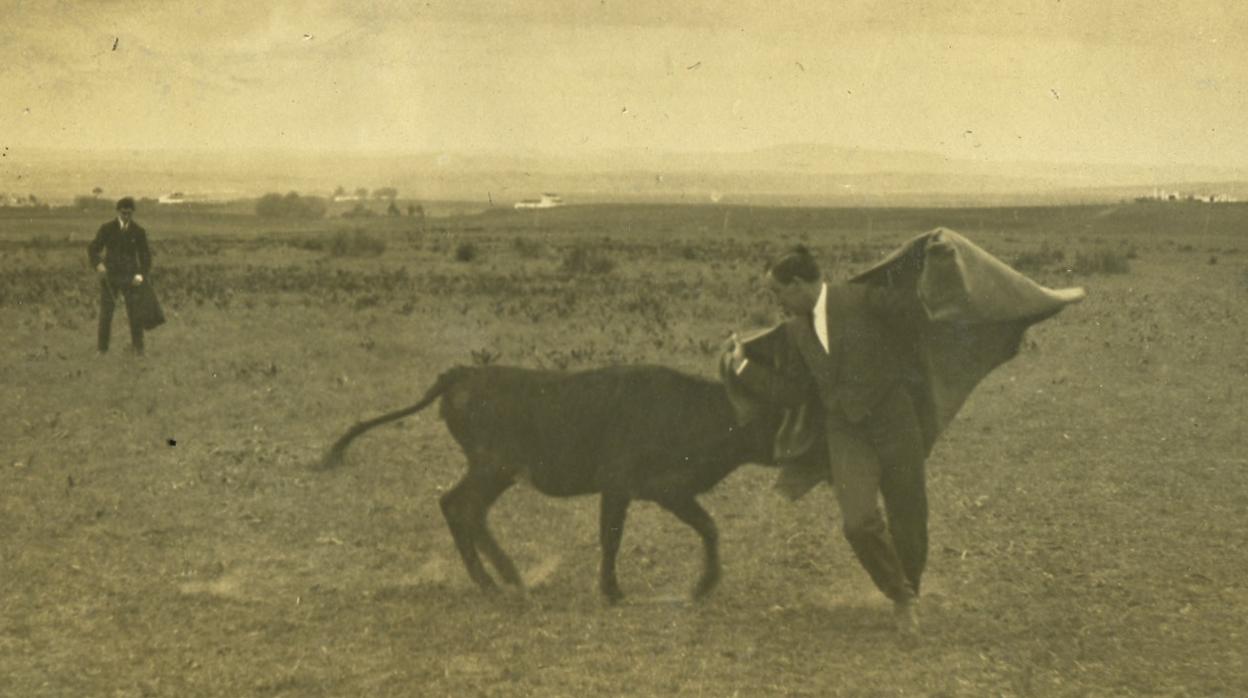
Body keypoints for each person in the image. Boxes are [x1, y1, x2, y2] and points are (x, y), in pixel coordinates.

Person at [725, 245, 929, 636]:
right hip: (847, 432)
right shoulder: (797, 330)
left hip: (896, 422)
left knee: (910, 518)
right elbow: (796, 393)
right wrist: (743, 367)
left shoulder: (864, 299)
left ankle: (911, 591)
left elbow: (920, 319)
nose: (778, 303)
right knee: (857, 523)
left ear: (798, 284)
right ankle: (900, 596)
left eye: (778, 293)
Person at [88, 197, 152, 356]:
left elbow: (145, 257)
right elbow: (93, 249)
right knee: (106, 314)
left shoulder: (138, 231)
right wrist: (98, 265)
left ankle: (138, 349)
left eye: (129, 213)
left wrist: (140, 276)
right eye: (123, 213)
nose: (126, 216)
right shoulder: (107, 228)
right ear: (118, 211)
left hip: (131, 279)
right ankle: (102, 350)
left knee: (135, 314)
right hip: (110, 278)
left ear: (132, 213)